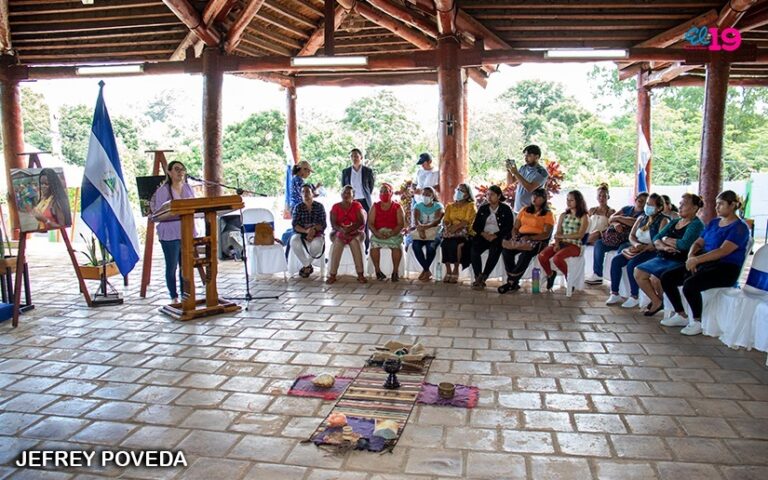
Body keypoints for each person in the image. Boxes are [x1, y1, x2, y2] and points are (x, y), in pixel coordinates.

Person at [654, 191, 750, 335]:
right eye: (716, 204)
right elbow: (699, 242)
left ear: (732, 205)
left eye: (721, 204)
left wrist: (697, 260)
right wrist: (691, 255)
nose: (717, 207)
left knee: (690, 285)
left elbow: (723, 251)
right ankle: (681, 314)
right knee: (667, 277)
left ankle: (697, 321)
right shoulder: (714, 222)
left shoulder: (740, 227)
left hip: (726, 268)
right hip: (704, 262)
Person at [634, 194, 705, 319]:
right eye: (680, 203)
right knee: (638, 272)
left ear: (694, 208)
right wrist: (664, 245)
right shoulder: (675, 221)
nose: (680, 206)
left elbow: (684, 244)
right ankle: (657, 301)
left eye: (684, 204)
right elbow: (657, 237)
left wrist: (666, 239)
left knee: (658, 277)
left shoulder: (696, 224)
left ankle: (675, 310)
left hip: (679, 259)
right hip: (664, 255)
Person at [604, 193, 669, 308]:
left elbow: (659, 240)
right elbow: (631, 235)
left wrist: (644, 247)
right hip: (637, 247)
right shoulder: (641, 218)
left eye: (650, 205)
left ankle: (634, 296)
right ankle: (614, 293)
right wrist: (636, 244)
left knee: (632, 265)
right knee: (616, 261)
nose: (647, 206)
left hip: (652, 250)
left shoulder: (663, 220)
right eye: (647, 204)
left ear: (659, 208)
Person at [150, 161, 195, 303]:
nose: (180, 172)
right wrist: (174, 212)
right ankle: (173, 296)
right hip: (169, 232)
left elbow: (195, 206)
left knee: (186, 266)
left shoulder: (188, 188)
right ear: (169, 172)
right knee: (172, 266)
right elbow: (157, 214)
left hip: (186, 231)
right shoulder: (163, 191)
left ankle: (185, 296)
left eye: (182, 169)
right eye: (176, 169)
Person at [498, 188, 554, 294]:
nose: (534, 198)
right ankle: (513, 281)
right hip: (521, 236)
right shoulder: (524, 210)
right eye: (533, 195)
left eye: (538, 196)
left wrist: (531, 238)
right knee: (507, 251)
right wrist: (514, 235)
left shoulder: (548, 214)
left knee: (525, 255)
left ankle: (511, 282)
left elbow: (546, 234)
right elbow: (515, 227)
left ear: (543, 199)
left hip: (538, 239)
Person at [586, 192, 649, 285]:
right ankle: (597, 275)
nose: (641, 202)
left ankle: (619, 282)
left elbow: (636, 223)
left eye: (644, 201)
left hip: (629, 240)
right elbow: (611, 218)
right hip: (615, 238)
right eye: (640, 199)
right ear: (636, 199)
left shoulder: (645, 214)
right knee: (599, 244)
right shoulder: (627, 209)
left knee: (620, 254)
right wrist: (616, 223)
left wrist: (619, 218)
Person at [538, 190, 589, 290]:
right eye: (567, 200)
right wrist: (557, 243)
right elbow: (558, 233)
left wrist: (563, 237)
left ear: (578, 201)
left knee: (557, 258)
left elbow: (580, 235)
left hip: (574, 245)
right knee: (542, 256)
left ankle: (569, 279)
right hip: (561, 242)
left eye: (571, 200)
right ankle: (550, 274)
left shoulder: (583, 216)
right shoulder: (563, 215)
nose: (568, 202)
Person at [471, 185, 514, 290]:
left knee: (494, 251)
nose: (489, 197)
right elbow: (475, 226)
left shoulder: (505, 209)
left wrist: (496, 235)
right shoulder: (483, 208)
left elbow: (508, 227)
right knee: (474, 250)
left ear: (499, 196)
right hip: (484, 235)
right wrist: (483, 233)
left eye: (492, 195)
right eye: (488, 194)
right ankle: (478, 276)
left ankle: (484, 276)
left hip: (498, 237)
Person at [327, 185, 366, 285]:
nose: (346, 195)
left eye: (349, 193)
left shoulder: (357, 205)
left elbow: (361, 221)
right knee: (338, 242)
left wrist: (349, 230)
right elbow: (333, 224)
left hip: (356, 232)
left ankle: (360, 274)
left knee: (354, 242)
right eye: (344, 192)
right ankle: (332, 275)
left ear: (353, 195)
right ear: (341, 194)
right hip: (339, 232)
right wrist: (342, 230)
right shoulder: (336, 206)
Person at [369, 183, 405, 282]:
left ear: (391, 193)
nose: (383, 193)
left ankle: (395, 272)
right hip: (378, 232)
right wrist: (376, 233)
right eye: (381, 191)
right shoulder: (375, 206)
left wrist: (392, 233)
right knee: (374, 246)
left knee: (396, 247)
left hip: (393, 232)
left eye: (386, 191)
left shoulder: (397, 206)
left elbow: (401, 224)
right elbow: (370, 223)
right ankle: (378, 271)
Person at [440, 183, 475, 284]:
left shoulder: (470, 206)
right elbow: (446, 219)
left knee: (457, 245)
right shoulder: (450, 206)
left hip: (464, 233)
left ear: (467, 195)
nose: (458, 192)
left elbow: (467, 221)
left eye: (462, 190)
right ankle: (448, 270)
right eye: (458, 189)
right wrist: (448, 227)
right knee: (444, 244)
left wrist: (455, 228)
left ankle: (456, 269)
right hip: (451, 232)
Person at [290, 184, 326, 278]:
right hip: (302, 233)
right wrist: (306, 231)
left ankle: (306, 265)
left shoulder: (319, 206)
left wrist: (313, 230)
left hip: (316, 233)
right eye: (303, 192)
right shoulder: (298, 207)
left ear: (312, 193)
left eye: (307, 192)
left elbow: (323, 224)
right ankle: (307, 265)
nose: (305, 194)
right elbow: (295, 225)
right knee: (294, 241)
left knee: (318, 244)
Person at [411, 186, 444, 281]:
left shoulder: (438, 206)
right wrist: (421, 230)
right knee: (416, 246)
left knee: (431, 247)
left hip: (435, 231)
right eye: (423, 194)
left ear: (433, 196)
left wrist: (425, 227)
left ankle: (425, 270)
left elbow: (437, 221)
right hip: (420, 230)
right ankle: (427, 270)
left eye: (428, 195)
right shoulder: (418, 205)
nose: (425, 196)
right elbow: (417, 221)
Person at [507, 144, 548, 213]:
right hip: (518, 209)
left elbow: (530, 188)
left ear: (537, 157)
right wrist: (509, 170)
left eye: (529, 156)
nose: (526, 158)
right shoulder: (523, 168)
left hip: (531, 211)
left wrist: (516, 173)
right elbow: (510, 182)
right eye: (525, 156)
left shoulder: (542, 172)